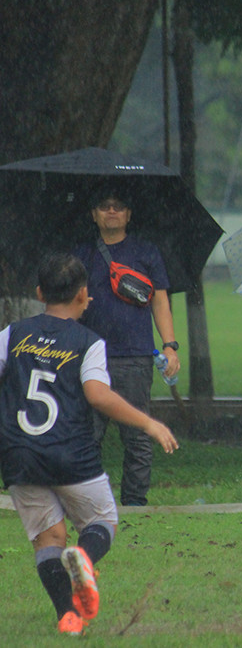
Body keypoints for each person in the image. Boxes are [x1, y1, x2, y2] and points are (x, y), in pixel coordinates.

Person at [0, 253, 178, 635]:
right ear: (84, 295)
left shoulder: (12, 334)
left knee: (48, 537)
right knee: (101, 521)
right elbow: (97, 395)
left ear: (38, 293)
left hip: (19, 453)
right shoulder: (88, 342)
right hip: (69, 451)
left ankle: (68, 616)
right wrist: (148, 423)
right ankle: (84, 555)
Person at [72, 189, 179, 506]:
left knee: (137, 433)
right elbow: (67, 301)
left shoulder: (146, 252)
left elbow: (161, 301)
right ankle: (90, 500)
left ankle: (135, 501)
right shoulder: (80, 254)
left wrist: (170, 346)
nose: (112, 212)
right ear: (94, 215)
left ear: (129, 214)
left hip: (135, 355)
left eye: (119, 207)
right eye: (104, 207)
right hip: (89, 357)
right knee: (88, 434)